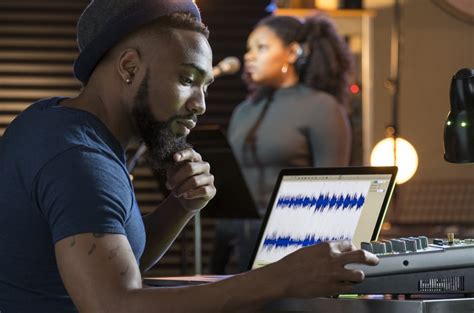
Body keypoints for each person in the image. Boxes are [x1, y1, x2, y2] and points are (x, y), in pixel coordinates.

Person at [0, 1, 377, 312]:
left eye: (205, 87)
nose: (199, 105)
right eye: (186, 80)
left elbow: (119, 265)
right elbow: (113, 305)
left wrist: (180, 206)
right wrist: (279, 278)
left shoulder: (52, 122)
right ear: (129, 67)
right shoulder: (80, 160)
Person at [211, 14, 354, 273]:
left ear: (292, 52)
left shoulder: (322, 107)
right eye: (248, 49)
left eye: (261, 48)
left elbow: (333, 192)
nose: (249, 56)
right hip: (238, 247)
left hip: (290, 249)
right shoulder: (244, 111)